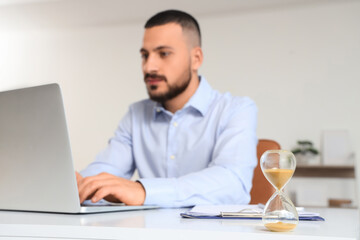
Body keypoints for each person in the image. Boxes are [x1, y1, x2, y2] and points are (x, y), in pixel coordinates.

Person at [77, 9, 258, 208]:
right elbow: (107, 169)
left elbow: (233, 183)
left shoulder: (236, 110)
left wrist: (144, 191)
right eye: (145, 55)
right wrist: (78, 186)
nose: (149, 67)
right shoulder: (136, 115)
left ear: (196, 58)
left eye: (164, 54)